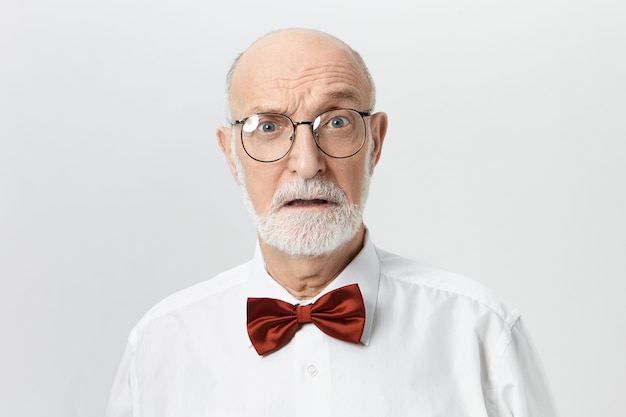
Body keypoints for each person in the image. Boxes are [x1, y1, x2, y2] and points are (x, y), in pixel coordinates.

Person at [105, 28, 558, 417]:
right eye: (268, 126)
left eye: (336, 121)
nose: (307, 163)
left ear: (375, 143)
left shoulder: (480, 331)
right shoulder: (161, 345)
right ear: (230, 154)